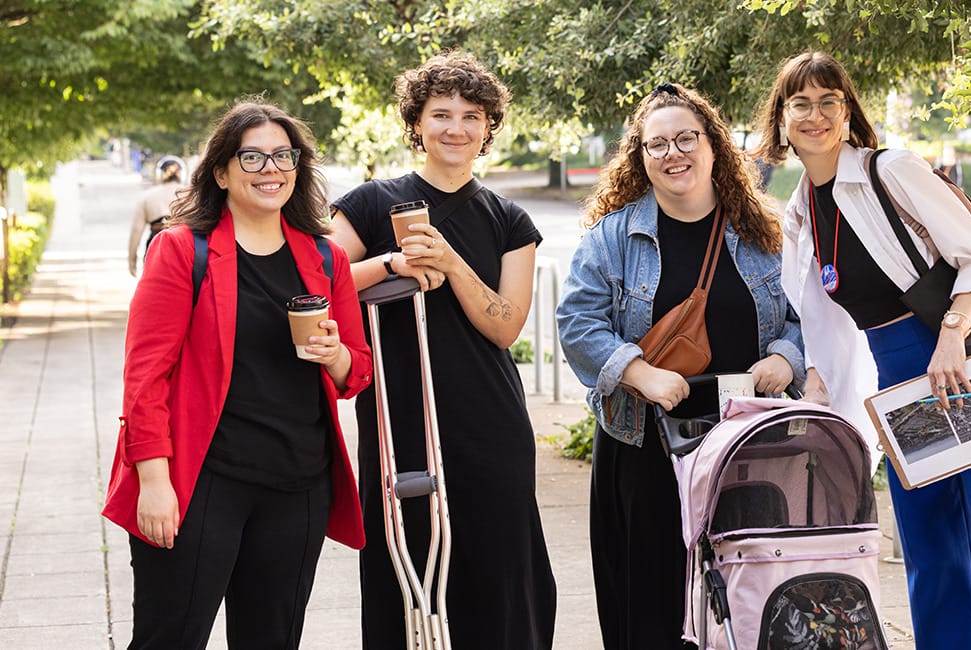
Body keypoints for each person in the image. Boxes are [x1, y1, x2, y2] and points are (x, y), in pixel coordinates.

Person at [753, 51, 971, 649]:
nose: (815, 115)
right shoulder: (799, 212)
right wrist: (819, 393)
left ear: (847, 112)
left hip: (960, 368)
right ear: (781, 120)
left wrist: (953, 334)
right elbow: (820, 320)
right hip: (899, 385)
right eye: (801, 104)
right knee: (933, 557)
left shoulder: (891, 171)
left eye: (829, 101)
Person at [101, 100, 372, 649]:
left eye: (282, 156)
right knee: (168, 638)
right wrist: (153, 481)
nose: (270, 169)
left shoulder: (325, 258)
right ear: (221, 172)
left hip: (297, 486)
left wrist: (334, 354)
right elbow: (145, 374)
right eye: (252, 158)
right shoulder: (182, 250)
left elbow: (357, 369)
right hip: (200, 483)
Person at [556, 83, 809, 649]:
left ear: (713, 145)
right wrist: (638, 373)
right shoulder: (613, 237)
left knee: (745, 599)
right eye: (657, 144)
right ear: (640, 158)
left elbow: (810, 317)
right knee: (649, 603)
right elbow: (577, 322)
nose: (674, 153)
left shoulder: (766, 233)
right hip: (644, 445)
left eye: (686, 138)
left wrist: (785, 357)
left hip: (744, 446)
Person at [328, 51, 557, 649]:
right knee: (405, 563)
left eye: (472, 116)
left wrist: (452, 262)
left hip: (490, 422)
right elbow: (314, 284)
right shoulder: (373, 203)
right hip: (399, 414)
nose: (456, 128)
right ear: (416, 123)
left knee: (495, 563)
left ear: (488, 129)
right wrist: (390, 264)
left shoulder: (510, 220)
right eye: (441, 114)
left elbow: (506, 326)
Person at [127, 155, 186, 276]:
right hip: (186, 246)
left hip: (156, 247)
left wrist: (132, 260)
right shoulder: (192, 195)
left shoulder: (148, 196)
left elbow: (136, 230)